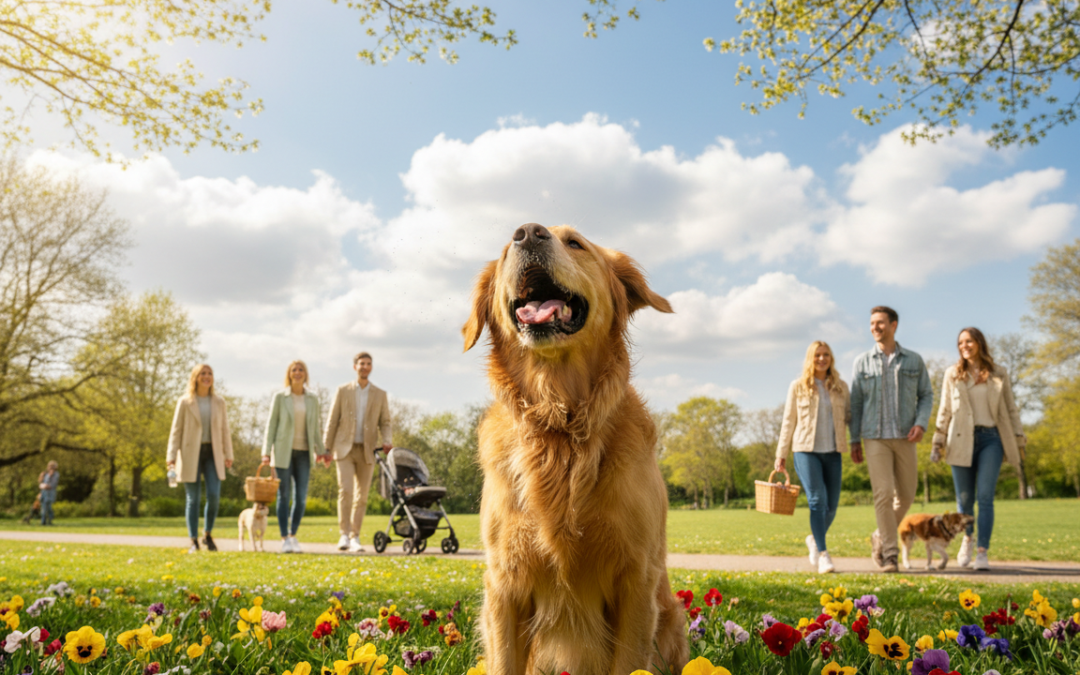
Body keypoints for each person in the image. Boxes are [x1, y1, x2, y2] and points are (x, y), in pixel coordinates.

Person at [931, 327, 1025, 571]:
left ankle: (982, 551)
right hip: (960, 440)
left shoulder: (998, 373)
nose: (964, 346)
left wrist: (1019, 439)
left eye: (969, 341)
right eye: (961, 342)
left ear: (980, 343)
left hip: (991, 439)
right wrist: (937, 441)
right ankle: (968, 539)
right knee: (964, 501)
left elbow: (1011, 409)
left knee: (985, 498)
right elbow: (945, 409)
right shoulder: (953, 374)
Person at [849, 306, 933, 573]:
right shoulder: (862, 362)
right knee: (883, 494)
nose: (875, 327)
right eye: (872, 323)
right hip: (875, 437)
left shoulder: (913, 360)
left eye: (880, 323)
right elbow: (856, 403)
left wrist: (920, 423)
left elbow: (927, 395)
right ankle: (890, 553)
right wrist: (854, 440)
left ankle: (879, 534)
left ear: (894, 325)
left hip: (905, 436)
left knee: (907, 494)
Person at [775, 341, 851, 574]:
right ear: (811, 358)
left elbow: (849, 417)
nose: (822, 359)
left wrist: (856, 442)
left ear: (831, 358)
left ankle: (814, 540)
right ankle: (823, 554)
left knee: (832, 507)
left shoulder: (840, 387)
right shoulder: (798, 386)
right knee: (817, 500)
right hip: (805, 450)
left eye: (826, 354)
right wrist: (781, 454)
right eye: (817, 355)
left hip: (833, 451)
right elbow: (789, 421)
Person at [324, 351, 393, 553]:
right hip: (344, 448)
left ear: (371, 367)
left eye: (368, 363)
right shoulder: (343, 390)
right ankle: (344, 535)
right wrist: (326, 448)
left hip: (367, 450)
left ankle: (355, 536)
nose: (364, 366)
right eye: (361, 363)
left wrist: (387, 440)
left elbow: (385, 422)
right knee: (345, 491)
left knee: (362, 496)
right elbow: (332, 420)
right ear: (355, 366)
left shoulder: (380, 394)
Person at [261, 360, 329, 554]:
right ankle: (284, 538)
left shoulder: (312, 399)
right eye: (294, 370)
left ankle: (293, 535)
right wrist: (266, 452)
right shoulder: (280, 397)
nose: (297, 373)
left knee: (300, 498)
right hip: (283, 452)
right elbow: (271, 424)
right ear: (289, 374)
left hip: (304, 453)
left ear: (305, 374)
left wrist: (322, 451)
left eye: (301, 370)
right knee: (284, 496)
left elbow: (315, 428)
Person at [167, 364, 234, 553]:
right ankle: (193, 540)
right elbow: (176, 431)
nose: (207, 377)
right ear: (195, 377)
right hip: (190, 453)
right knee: (193, 499)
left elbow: (224, 430)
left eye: (210, 373)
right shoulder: (185, 402)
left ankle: (208, 534)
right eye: (203, 374)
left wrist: (228, 454)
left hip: (213, 453)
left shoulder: (219, 402)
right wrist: (171, 457)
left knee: (213, 495)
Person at [39, 461, 59, 525]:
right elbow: (40, 483)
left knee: (49, 508)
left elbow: (52, 485)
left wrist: (44, 486)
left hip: (50, 494)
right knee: (43, 508)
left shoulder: (56, 475)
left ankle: (50, 521)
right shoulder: (45, 474)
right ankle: (43, 522)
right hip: (44, 494)